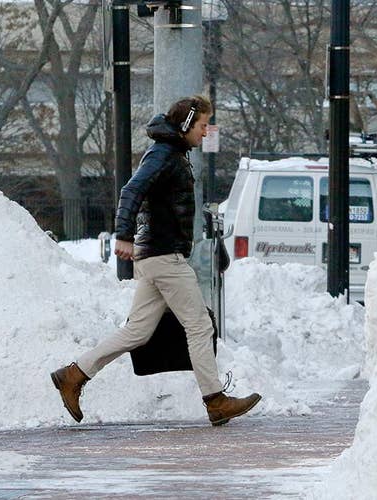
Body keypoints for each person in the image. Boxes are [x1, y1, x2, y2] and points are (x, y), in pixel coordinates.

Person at [51, 95, 261, 426]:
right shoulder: (164, 154)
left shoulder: (171, 153)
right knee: (199, 325)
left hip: (156, 255)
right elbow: (131, 190)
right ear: (187, 124)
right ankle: (215, 400)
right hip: (164, 256)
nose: (206, 131)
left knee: (137, 331)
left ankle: (73, 375)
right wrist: (123, 235)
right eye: (203, 125)